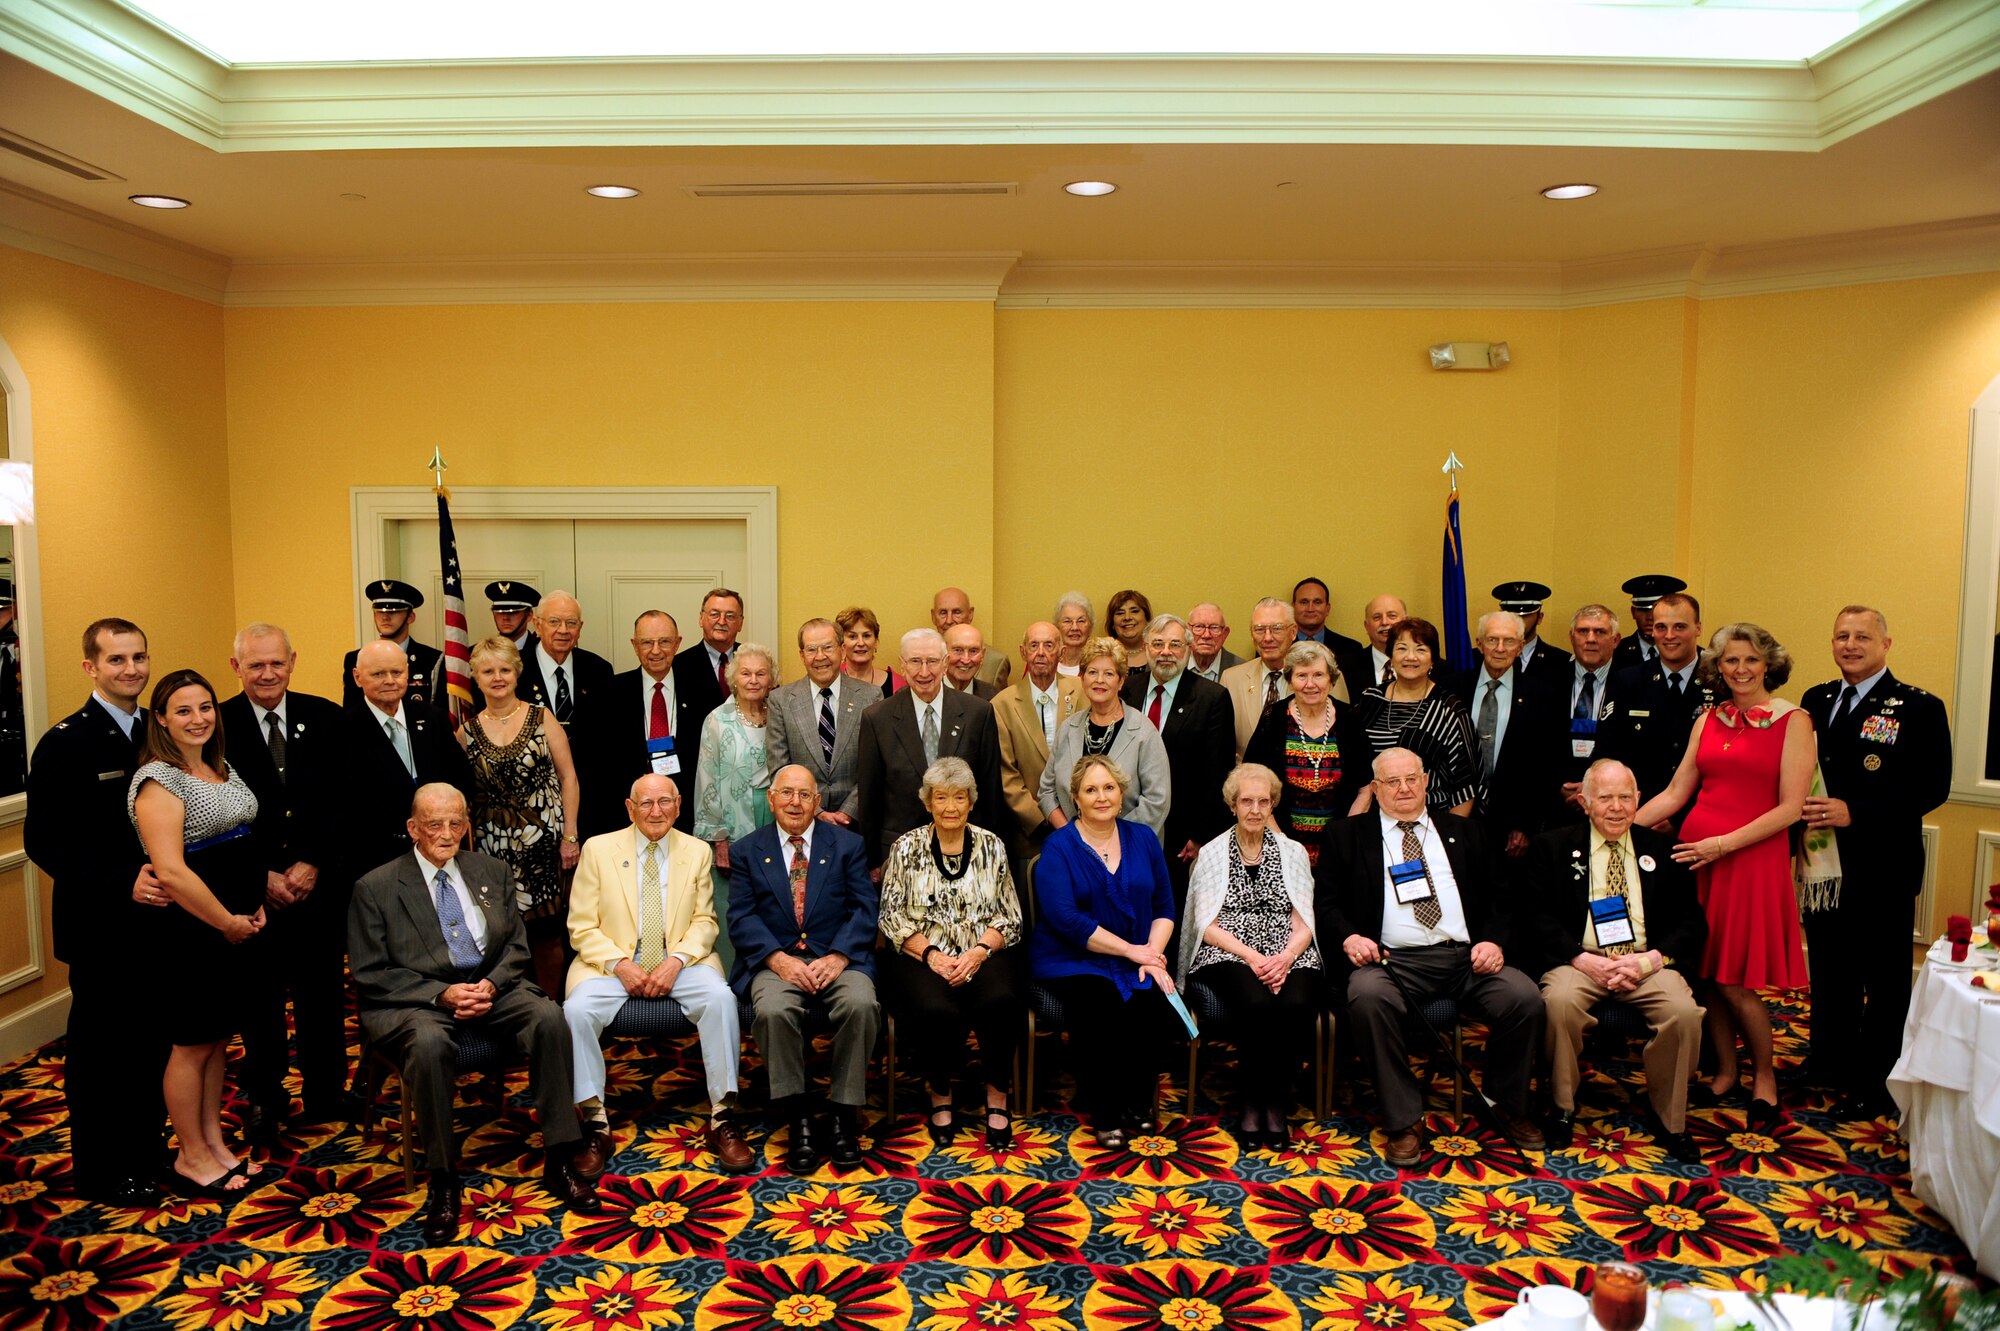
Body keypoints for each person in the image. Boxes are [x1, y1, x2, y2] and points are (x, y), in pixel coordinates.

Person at [349, 783, 599, 1244]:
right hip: (417, 1000)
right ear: (412, 829)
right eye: (433, 825)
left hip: (490, 987)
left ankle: (560, 1156)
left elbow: (517, 946)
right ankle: (443, 1179)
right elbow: (371, 973)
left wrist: (491, 983)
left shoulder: (492, 870)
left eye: (455, 823)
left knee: (549, 1018)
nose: (446, 834)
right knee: (427, 1045)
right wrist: (442, 994)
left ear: (467, 826)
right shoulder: (376, 887)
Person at [1317, 748, 1546, 1166]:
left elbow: (1502, 897)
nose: (1403, 788)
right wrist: (1349, 937)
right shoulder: (1346, 835)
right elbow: (1327, 905)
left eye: (1411, 779)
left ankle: (1503, 1104)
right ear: (1375, 788)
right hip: (1390, 962)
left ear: (1425, 781)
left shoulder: (1467, 831)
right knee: (1366, 997)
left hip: (1466, 959)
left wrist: (1493, 941)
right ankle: (1404, 1120)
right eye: (1391, 781)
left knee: (1524, 996)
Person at [1634, 622, 1814, 1127]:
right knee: (1707, 974)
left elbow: (1790, 808)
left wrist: (1723, 845)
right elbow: (1675, 792)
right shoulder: (1709, 718)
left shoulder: (1793, 720)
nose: (1740, 669)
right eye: (1730, 661)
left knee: (1737, 981)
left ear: (1768, 665)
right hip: (1696, 860)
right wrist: (1616, 826)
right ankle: (1728, 1070)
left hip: (1748, 861)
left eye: (1751, 660)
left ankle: (1766, 1076)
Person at [25, 618, 167, 1205]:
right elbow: (45, 841)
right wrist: (120, 881)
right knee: (102, 1053)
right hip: (103, 925)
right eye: (116, 661)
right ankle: (103, 1170)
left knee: (150, 1045)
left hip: (158, 920)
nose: (131, 670)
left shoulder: (157, 733)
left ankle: (146, 1151)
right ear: (91, 667)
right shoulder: (66, 742)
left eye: (138, 657)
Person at [1799, 606, 1952, 1117]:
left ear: (1886, 643)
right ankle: (1828, 1060)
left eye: (1862, 636)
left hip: (1883, 865)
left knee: (1883, 980)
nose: (1850, 645)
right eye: (1841, 635)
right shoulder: (1816, 700)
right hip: (1823, 865)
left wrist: (1855, 812)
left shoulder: (1918, 708)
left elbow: (1932, 788)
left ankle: (1877, 1079)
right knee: (1830, 968)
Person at [565, 775, 754, 1176]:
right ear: (630, 809)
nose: (656, 811)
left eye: (665, 802)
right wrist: (621, 964)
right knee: (575, 1011)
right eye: (646, 804)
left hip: (681, 962)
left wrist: (677, 961)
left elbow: (705, 920)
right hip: (611, 964)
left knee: (721, 999)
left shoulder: (697, 850)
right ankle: (596, 1121)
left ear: (679, 804)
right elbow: (581, 926)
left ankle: (722, 1115)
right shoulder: (599, 850)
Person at [127, 670, 268, 1197]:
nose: (198, 718)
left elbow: (241, 843)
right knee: (189, 1045)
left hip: (235, 928)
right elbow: (172, 871)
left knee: (215, 1040)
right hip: (190, 934)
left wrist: (252, 908)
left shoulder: (217, 765)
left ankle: (214, 1144)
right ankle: (189, 1154)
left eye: (205, 707)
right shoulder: (158, 780)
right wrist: (226, 921)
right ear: (160, 718)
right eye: (183, 710)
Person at [1523, 759, 1706, 1162]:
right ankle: (1563, 1108)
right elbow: (1536, 916)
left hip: (1647, 962)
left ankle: (1670, 1118)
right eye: (1605, 798)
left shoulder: (1663, 850)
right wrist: (1580, 958)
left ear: (1639, 800)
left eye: (1626, 797)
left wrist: (1650, 961)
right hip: (1580, 961)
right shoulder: (1551, 847)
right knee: (1559, 1004)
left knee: (1683, 1012)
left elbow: (1691, 921)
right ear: (1585, 802)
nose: (1617, 807)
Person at [221, 623, 353, 1140]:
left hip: (318, 888)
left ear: (292, 661)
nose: (268, 673)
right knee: (259, 1001)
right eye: (255, 665)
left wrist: (314, 861)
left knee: (322, 993)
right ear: (237, 668)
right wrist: (262, 875)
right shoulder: (218, 724)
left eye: (276, 662)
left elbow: (346, 799)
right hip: (252, 894)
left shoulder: (326, 717)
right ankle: (266, 1097)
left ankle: (326, 1090)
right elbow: (214, 813)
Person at [728, 766, 881, 1173]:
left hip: (837, 956)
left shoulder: (847, 845)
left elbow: (865, 908)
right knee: (774, 1010)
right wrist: (778, 960)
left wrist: (840, 956)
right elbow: (741, 917)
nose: (795, 802)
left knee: (861, 1004)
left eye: (804, 795)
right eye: (787, 793)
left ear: (817, 802)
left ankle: (843, 1112)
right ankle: (797, 1116)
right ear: (771, 798)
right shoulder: (747, 849)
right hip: (775, 961)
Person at [1030, 756, 1184, 1148]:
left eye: (1109, 788)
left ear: (1122, 792)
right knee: (1101, 1003)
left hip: (1137, 950)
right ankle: (1105, 1108)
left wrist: (1151, 953)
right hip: (1072, 957)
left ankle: (1139, 1102)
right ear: (1076, 798)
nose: (1102, 797)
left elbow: (1166, 907)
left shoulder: (1144, 838)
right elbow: (1067, 920)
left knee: (1152, 1002)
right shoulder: (1059, 847)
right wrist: (1135, 952)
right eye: (1091, 790)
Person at [878, 757, 1025, 1148]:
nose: (950, 807)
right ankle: (940, 1091)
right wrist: (933, 957)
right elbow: (891, 917)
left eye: (959, 797)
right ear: (927, 802)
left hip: (983, 952)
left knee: (1001, 999)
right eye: (940, 797)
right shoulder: (905, 848)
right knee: (934, 1008)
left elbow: (1010, 916)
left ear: (971, 802)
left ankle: (997, 1094)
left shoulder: (992, 846)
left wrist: (977, 952)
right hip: (923, 954)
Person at [1179, 763, 1321, 1149]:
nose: (1255, 809)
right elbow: (1205, 922)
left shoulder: (1292, 852)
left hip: (1288, 947)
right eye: (1247, 801)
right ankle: (1251, 1103)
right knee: (1256, 1004)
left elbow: (1305, 915)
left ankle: (1276, 1103)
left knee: (1297, 1003)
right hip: (1227, 948)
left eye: (1263, 801)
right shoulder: (1211, 852)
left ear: (1273, 804)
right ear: (1232, 805)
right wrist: (1254, 958)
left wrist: (1287, 957)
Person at [460, 635, 581, 998]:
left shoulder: (542, 717)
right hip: (491, 854)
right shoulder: (465, 733)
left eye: (505, 670)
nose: (497, 677)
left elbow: (568, 778)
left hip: (544, 849)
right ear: (476, 678)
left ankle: (551, 1009)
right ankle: (515, 1011)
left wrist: (570, 836)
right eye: (488, 671)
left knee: (547, 936)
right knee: (502, 937)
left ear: (517, 673)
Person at [856, 628, 1007, 867]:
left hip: (966, 850)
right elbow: (869, 798)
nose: (924, 672)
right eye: (915, 661)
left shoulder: (978, 713)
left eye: (932, 661)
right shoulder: (877, 719)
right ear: (902, 665)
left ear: (945, 664)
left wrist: (991, 855)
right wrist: (874, 861)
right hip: (899, 853)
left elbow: (991, 793)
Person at [340, 639, 474, 883]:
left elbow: (462, 779)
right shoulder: (343, 730)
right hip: (378, 862)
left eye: (397, 672)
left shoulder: (432, 718)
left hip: (439, 852)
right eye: (378, 674)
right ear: (358, 678)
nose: (389, 680)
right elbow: (344, 806)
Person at [1123, 614, 1236, 902]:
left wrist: (1200, 834)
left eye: (1175, 644)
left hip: (1181, 835)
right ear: (1146, 647)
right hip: (1126, 823)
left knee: (1170, 909)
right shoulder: (1128, 690)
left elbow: (1218, 772)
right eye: (1158, 644)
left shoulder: (1212, 697)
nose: (1165, 652)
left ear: (1188, 649)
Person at [1448, 611, 1565, 860]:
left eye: (1509, 641)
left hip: (1512, 826)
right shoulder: (1453, 689)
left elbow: (1546, 766)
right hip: (1458, 817)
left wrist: (1525, 826)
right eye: (1492, 640)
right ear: (1479, 644)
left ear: (1521, 646)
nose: (1500, 648)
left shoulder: (1542, 695)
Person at [693, 642, 779, 971]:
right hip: (730, 825)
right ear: (733, 678)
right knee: (732, 904)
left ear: (772, 678)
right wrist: (719, 839)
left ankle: (772, 976)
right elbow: (707, 780)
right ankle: (732, 978)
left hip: (776, 819)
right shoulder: (717, 720)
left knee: (775, 899)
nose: (753, 680)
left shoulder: (781, 714)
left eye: (761, 673)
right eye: (745, 673)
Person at [1244, 641, 1369, 863]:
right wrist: (1281, 842)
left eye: (1319, 675)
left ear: (1331, 679)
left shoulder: (1350, 718)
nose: (1310, 684)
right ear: (1290, 681)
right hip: (1280, 845)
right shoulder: (1273, 718)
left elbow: (1366, 786)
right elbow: (1252, 780)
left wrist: (1345, 835)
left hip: (1341, 848)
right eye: (1301, 676)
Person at [1597, 592, 1716, 823]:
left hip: (1701, 819)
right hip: (1638, 816)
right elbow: (1608, 755)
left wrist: (1677, 820)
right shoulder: (1627, 681)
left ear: (1698, 628)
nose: (1669, 636)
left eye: (1680, 627)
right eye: (1661, 627)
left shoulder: (1719, 680)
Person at [1040, 637, 1171, 844]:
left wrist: (1108, 841)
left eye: (1108, 674)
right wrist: (1074, 837)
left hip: (1129, 850)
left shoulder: (1144, 732)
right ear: (1082, 678)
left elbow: (1157, 801)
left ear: (1120, 681)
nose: (1099, 680)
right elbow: (1046, 792)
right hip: (1074, 850)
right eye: (1092, 672)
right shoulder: (1068, 728)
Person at [1353, 618, 1480, 818]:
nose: (1410, 657)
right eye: (1402, 649)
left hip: (1431, 822)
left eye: (1420, 649)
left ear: (1432, 659)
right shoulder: (1370, 699)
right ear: (1391, 656)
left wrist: (1450, 837)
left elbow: (1466, 784)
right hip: (1371, 821)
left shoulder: (1449, 708)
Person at [592, 610, 697, 837]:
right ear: (634, 645)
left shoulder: (700, 691)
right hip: (623, 819)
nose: (656, 650)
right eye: (647, 642)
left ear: (678, 643)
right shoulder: (609, 693)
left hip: (685, 819)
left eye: (665, 642)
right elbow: (597, 766)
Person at [993, 621, 1085, 864]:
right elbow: (1006, 772)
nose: (1041, 653)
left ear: (1062, 652)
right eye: (1034, 645)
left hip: (1082, 825)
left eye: (1048, 645)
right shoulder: (1002, 703)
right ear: (1023, 652)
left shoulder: (1083, 691)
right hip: (1029, 832)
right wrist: (1043, 815)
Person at [766, 617, 870, 825]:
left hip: (857, 823)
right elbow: (779, 767)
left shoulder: (870, 697)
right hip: (801, 821)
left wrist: (848, 812)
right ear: (802, 655)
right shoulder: (781, 700)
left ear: (842, 650)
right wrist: (817, 811)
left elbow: (874, 766)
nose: (820, 657)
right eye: (812, 650)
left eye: (828, 647)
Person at [1558, 604, 1623, 821]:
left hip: (1612, 804)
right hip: (1556, 804)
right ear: (1571, 636)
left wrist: (1594, 788)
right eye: (1583, 631)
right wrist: (1561, 786)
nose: (1591, 639)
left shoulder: (1633, 684)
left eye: (1600, 632)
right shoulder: (1548, 680)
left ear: (1616, 640)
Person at [518, 591, 615, 733]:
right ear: (538, 626)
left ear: (580, 628)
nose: (563, 630)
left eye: (571, 623)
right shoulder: (515, 669)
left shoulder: (599, 670)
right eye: (554, 622)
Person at [341, 579, 442, 711]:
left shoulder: (432, 659)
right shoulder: (355, 658)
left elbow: (438, 713)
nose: (385, 617)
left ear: (410, 617)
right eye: (380, 612)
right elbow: (351, 711)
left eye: (393, 612)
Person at [674, 587, 746, 760]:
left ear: (740, 623)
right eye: (714, 614)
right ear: (701, 619)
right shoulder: (677, 666)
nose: (721, 621)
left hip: (746, 763)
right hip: (697, 765)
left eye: (730, 616)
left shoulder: (755, 663)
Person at [1221, 598, 1297, 759]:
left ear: (1293, 632)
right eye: (1259, 629)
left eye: (1276, 628)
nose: (1267, 638)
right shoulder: (1231, 679)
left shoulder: (1318, 680)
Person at [1294, 578, 1370, 686]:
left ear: (1327, 609)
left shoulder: (1352, 649)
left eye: (1317, 602)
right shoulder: (1279, 648)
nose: (1310, 608)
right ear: (1293, 607)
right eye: (1304, 602)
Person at [932, 586, 1011, 687]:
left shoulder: (996, 662)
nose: (949, 620)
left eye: (957, 612)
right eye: (943, 613)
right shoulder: (919, 658)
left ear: (970, 614)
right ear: (933, 616)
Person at [1494, 581, 1571, 686]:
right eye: (1512, 615)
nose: (1518, 621)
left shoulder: (1562, 662)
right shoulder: (1480, 657)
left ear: (1540, 618)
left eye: (1525, 615)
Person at [1612, 574, 1686, 673]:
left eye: (1657, 611)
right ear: (1633, 612)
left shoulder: (1687, 652)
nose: (1650, 617)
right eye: (1643, 610)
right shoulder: (1616, 652)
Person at [836, 604, 903, 697]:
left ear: (876, 641)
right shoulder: (832, 680)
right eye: (852, 636)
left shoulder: (897, 684)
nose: (861, 643)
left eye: (866, 636)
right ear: (841, 644)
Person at [1357, 594, 1410, 692]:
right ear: (1366, 626)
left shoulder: (1434, 668)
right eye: (1377, 617)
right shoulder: (1345, 668)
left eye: (1392, 616)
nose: (1385, 622)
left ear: (1405, 622)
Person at [1186, 602, 1244, 682]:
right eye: (1199, 626)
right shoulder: (1174, 664)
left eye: (1214, 628)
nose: (1206, 635)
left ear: (1225, 634)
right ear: (1187, 631)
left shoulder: (1241, 670)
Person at [944, 623, 1001, 700]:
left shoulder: (994, 697)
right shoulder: (928, 692)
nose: (966, 660)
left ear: (982, 655)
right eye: (958, 650)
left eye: (973, 651)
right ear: (943, 653)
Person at [485, 580, 540, 653]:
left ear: (529, 615)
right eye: (500, 612)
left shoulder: (543, 651)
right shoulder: (476, 654)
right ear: (493, 614)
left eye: (513, 612)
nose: (505, 618)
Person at [1106, 589, 1154, 670]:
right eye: (1120, 613)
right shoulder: (1103, 655)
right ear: (1112, 623)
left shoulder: (1159, 653)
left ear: (1147, 619)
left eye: (1134, 611)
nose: (1127, 617)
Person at [1053, 591, 1095, 677]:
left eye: (1081, 621)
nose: (1075, 628)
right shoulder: (1041, 661)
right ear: (1057, 627)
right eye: (1067, 621)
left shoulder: (1100, 664)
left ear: (1090, 627)